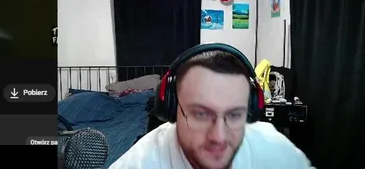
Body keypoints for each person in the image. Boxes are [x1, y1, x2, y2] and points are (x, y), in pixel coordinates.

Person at [112, 46, 312, 168]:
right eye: (200, 114)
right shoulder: (144, 159)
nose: (218, 137)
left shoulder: (273, 147)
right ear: (172, 110)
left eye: (234, 115)